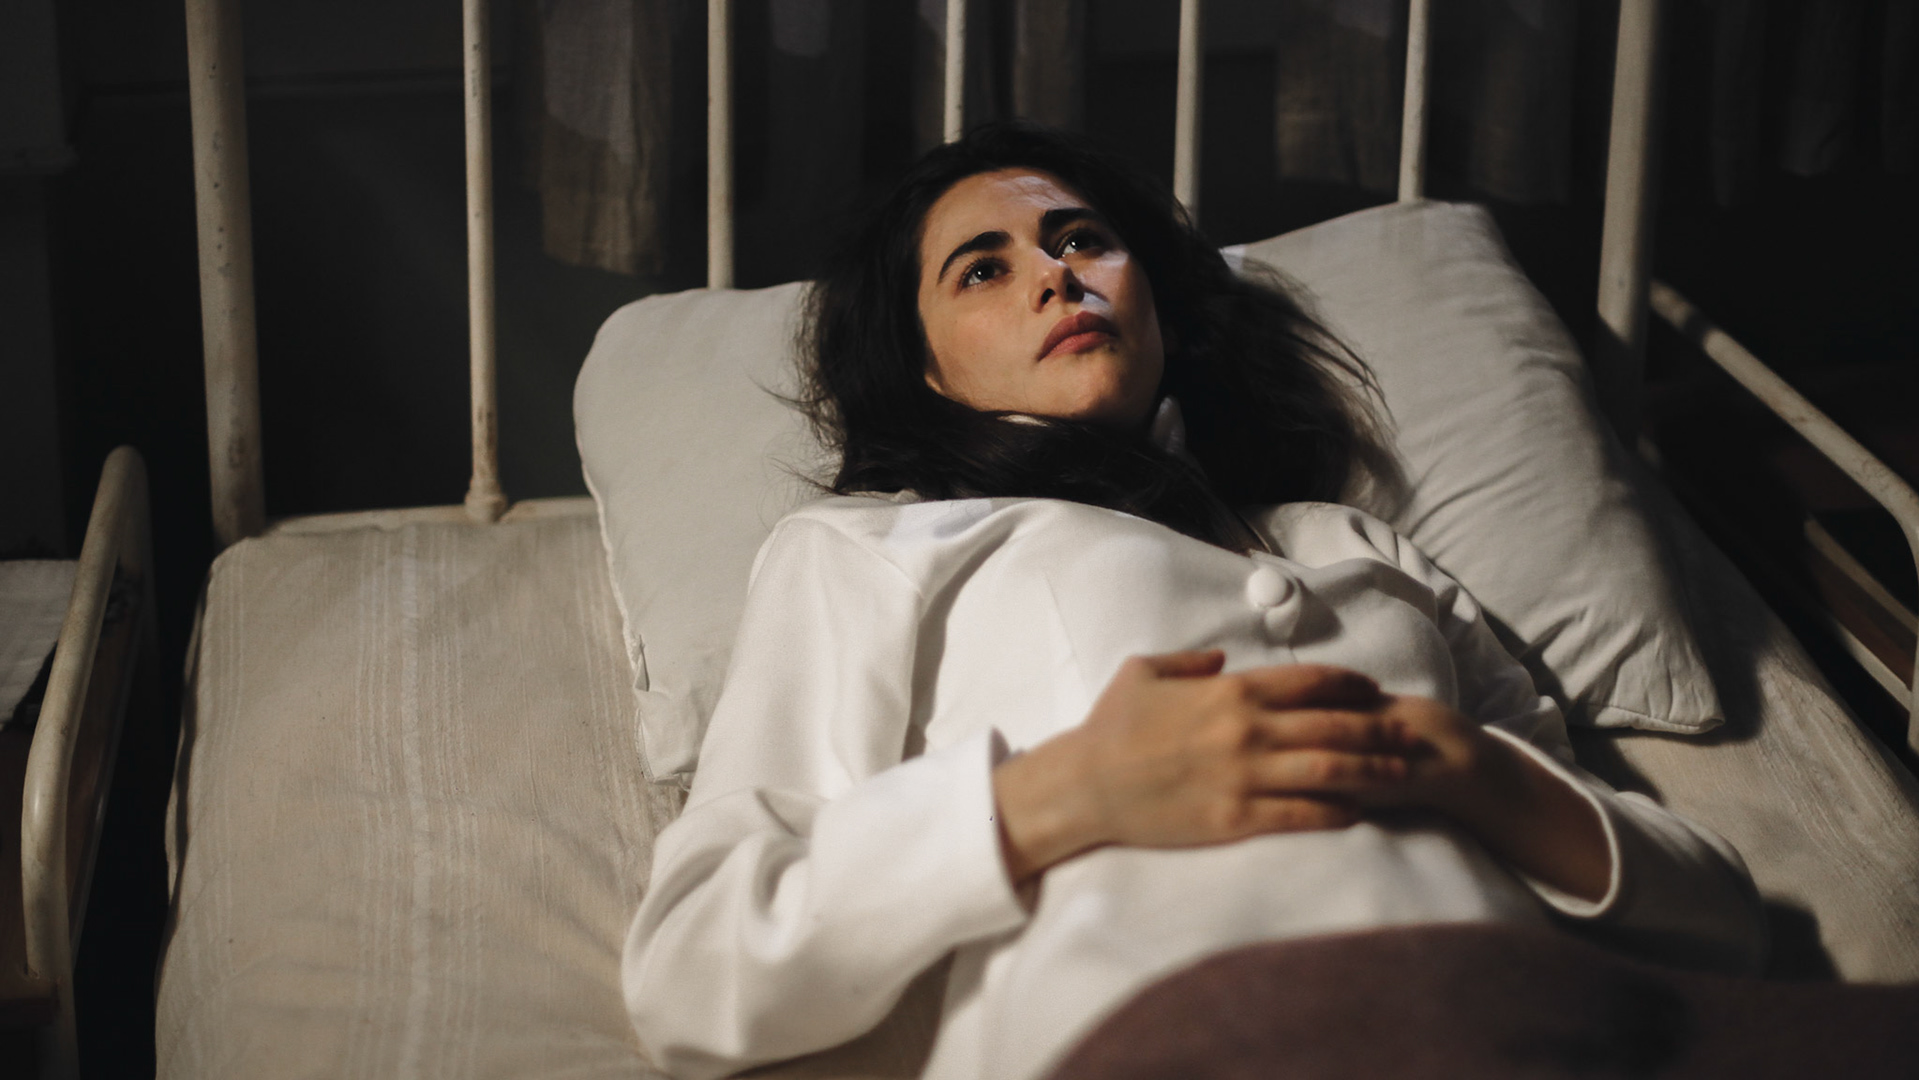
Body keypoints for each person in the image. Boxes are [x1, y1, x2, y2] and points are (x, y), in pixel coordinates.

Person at [621, 123, 1765, 1080]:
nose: (1056, 275)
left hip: (1532, 1019)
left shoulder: (1356, 544)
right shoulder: (874, 545)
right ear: (927, 368)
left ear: (1155, 301)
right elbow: (696, 963)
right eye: (982, 269)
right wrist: (1063, 794)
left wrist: (1462, 766)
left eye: (1082, 240)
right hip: (1164, 1023)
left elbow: (1719, 916)